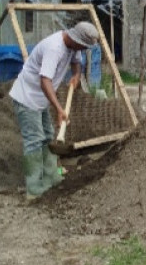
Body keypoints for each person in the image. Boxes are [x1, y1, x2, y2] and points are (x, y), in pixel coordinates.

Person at [9, 21, 99, 198]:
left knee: (49, 137)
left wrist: (76, 74)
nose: (82, 49)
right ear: (75, 39)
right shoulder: (54, 49)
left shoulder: (73, 47)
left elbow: (76, 62)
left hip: (40, 99)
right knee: (34, 140)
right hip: (27, 97)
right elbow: (45, 81)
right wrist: (59, 109)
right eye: (82, 46)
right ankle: (33, 188)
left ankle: (51, 176)